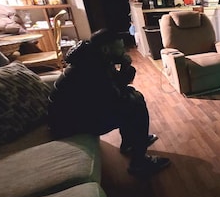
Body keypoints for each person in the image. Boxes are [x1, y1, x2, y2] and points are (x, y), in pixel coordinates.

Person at [47, 28, 170, 176]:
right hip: (69, 125)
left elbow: (115, 87)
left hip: (74, 115)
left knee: (131, 96)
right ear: (106, 49)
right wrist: (126, 73)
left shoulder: (94, 57)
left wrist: (125, 69)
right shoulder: (91, 68)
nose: (124, 50)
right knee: (135, 105)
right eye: (120, 48)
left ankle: (130, 143)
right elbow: (113, 97)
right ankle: (139, 163)